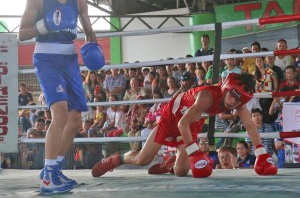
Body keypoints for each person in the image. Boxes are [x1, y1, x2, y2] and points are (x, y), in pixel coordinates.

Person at [18, 0, 104, 194]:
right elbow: (22, 34)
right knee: (60, 111)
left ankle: (52, 170)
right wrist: (44, 26)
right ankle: (47, 179)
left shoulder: (79, 0)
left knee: (76, 120)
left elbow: (88, 30)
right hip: (46, 59)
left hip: (69, 60)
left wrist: (93, 47)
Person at [91, 73, 277, 179]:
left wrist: (261, 152)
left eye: (239, 99)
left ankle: (169, 164)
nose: (233, 101)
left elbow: (251, 126)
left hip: (191, 123)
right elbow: (182, 122)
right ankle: (117, 160)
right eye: (232, 95)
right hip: (171, 119)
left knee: (181, 172)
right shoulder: (207, 97)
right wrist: (195, 153)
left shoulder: (238, 104)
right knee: (142, 160)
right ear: (226, 87)